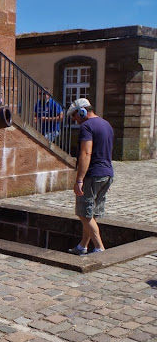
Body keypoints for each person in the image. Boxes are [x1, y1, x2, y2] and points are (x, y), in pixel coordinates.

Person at [65, 98, 114, 256]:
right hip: (107, 174)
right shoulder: (106, 124)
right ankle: (82, 246)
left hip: (93, 175)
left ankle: (99, 248)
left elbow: (86, 153)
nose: (75, 120)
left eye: (74, 116)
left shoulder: (86, 126)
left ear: (82, 112)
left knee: (83, 213)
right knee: (91, 214)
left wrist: (79, 179)